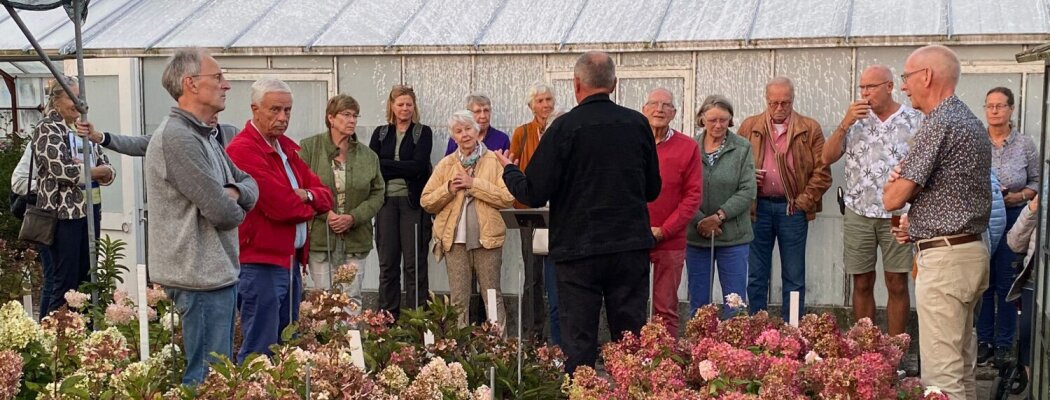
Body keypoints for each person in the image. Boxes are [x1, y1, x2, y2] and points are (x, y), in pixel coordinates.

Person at [496, 51, 661, 374]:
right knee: (630, 337)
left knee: (578, 340)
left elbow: (533, 193)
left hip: (577, 249)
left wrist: (510, 170)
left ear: (576, 85)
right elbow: (652, 189)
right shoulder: (637, 124)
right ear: (613, 83)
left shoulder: (564, 127)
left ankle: (582, 390)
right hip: (628, 245)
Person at [143, 48, 258, 385]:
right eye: (218, 77)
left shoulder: (204, 135)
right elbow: (223, 214)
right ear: (191, 83)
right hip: (199, 277)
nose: (228, 84)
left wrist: (234, 190)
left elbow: (249, 183)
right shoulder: (178, 138)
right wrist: (233, 197)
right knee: (207, 379)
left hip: (213, 274)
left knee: (215, 375)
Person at [885, 44, 991, 400]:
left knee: (941, 380)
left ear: (926, 76)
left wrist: (896, 185)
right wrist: (915, 226)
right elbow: (952, 192)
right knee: (962, 369)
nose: (903, 87)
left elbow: (893, 198)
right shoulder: (970, 122)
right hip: (969, 251)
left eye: (906, 78)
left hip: (946, 262)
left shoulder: (939, 123)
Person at [226, 78, 333, 362]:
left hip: (289, 261)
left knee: (286, 347)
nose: (283, 118)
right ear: (255, 109)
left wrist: (306, 196)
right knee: (260, 348)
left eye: (287, 110)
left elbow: (326, 197)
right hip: (260, 263)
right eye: (275, 110)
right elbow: (281, 206)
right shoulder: (243, 150)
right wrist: (309, 200)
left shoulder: (286, 147)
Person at [823, 65, 922, 336]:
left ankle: (895, 349)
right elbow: (826, 157)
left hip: (897, 212)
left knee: (897, 282)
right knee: (862, 281)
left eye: (871, 87)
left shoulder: (914, 119)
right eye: (862, 87)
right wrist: (845, 123)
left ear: (889, 87)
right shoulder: (854, 122)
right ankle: (866, 349)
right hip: (859, 210)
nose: (865, 93)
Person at [740, 76, 831, 320]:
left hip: (792, 209)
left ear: (793, 100)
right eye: (774, 103)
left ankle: (792, 330)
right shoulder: (750, 127)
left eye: (785, 103)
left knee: (793, 275)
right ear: (766, 100)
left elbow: (823, 172)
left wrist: (802, 202)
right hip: (757, 209)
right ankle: (757, 329)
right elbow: (735, 166)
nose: (779, 108)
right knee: (756, 274)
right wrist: (748, 178)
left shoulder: (809, 128)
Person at [31, 75, 116, 319]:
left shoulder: (83, 129)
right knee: (64, 282)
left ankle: (81, 339)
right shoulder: (47, 128)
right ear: (56, 100)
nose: (78, 104)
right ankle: (53, 341)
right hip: (63, 215)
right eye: (72, 97)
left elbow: (108, 167)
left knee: (86, 281)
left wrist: (105, 172)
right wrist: (93, 172)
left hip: (89, 212)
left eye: (81, 97)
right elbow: (60, 170)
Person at [421, 110, 514, 327]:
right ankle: (458, 352)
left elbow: (508, 197)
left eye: (468, 129)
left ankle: (499, 351)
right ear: (453, 137)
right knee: (459, 299)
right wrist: (448, 189)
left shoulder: (494, 160)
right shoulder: (446, 164)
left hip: (487, 240)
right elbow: (426, 201)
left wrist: (474, 185)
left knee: (492, 296)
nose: (464, 135)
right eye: (458, 131)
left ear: (477, 130)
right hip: (454, 243)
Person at [298, 95, 385, 308]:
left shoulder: (368, 155)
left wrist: (353, 218)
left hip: (356, 238)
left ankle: (351, 340)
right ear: (331, 118)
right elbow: (300, 188)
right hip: (320, 236)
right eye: (346, 115)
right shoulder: (309, 148)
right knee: (323, 299)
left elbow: (378, 193)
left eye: (355, 116)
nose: (352, 120)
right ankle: (324, 341)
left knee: (351, 298)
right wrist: (328, 215)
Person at [976, 86, 1039, 367]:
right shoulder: (977, 142)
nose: (994, 111)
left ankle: (1004, 344)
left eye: (1000, 105)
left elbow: (1037, 181)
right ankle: (983, 341)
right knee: (983, 282)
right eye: (990, 106)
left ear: (1011, 109)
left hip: (1015, 217)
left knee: (1007, 282)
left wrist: (1018, 195)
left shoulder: (1024, 145)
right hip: (984, 217)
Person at [686, 95, 756, 318]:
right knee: (699, 303)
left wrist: (719, 216)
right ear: (702, 119)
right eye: (712, 119)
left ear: (731, 120)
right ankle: (699, 347)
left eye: (723, 120)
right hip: (696, 236)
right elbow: (681, 188)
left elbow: (747, 189)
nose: (718, 125)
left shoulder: (742, 148)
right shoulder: (689, 147)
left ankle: (735, 351)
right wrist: (700, 221)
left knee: (735, 303)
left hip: (733, 236)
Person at [369, 85, 434, 319]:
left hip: (412, 204)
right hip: (386, 204)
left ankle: (417, 319)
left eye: (409, 104)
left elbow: (419, 167)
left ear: (414, 107)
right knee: (388, 264)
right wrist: (402, 168)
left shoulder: (422, 132)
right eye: (400, 104)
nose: (405, 108)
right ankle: (387, 318)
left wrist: (389, 165)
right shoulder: (380, 133)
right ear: (392, 107)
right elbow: (374, 167)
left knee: (414, 264)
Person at [641, 87, 702, 335]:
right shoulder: (631, 143)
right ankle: (630, 361)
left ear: (674, 112)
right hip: (633, 237)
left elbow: (693, 196)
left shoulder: (688, 147)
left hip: (670, 240)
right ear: (644, 110)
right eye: (654, 104)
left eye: (666, 105)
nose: (659, 109)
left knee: (665, 307)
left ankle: (665, 364)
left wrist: (664, 230)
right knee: (629, 304)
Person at [509, 83, 556, 342]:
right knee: (533, 273)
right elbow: (512, 168)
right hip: (530, 211)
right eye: (540, 100)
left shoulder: (561, 127)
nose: (545, 105)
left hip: (558, 211)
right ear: (531, 106)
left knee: (558, 273)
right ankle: (532, 332)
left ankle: (557, 331)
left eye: (549, 99)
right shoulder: (522, 133)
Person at [445, 94, 510, 155]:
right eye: (478, 111)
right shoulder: (458, 138)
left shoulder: (502, 139)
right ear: (469, 114)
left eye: (486, 110)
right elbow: (448, 165)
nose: (483, 116)